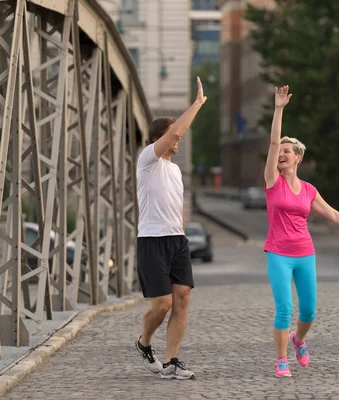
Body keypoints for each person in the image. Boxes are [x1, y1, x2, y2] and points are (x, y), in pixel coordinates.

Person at [263, 85, 339, 378]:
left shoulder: (309, 190)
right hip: (278, 252)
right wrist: (279, 109)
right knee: (284, 309)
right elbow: (273, 142)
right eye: (281, 151)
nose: (282, 154)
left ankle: (298, 341)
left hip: (304, 253)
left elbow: (332, 214)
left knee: (309, 312)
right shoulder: (271, 181)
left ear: (298, 157)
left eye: (288, 151)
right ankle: (281, 360)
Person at [134, 77, 207, 380]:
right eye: (172, 136)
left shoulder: (175, 170)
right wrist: (198, 103)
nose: (178, 140)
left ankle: (171, 362)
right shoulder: (148, 160)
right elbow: (178, 129)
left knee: (182, 300)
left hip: (177, 241)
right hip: (152, 240)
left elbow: (174, 206)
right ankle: (144, 342)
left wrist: (181, 233)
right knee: (161, 304)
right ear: (158, 139)